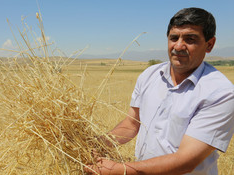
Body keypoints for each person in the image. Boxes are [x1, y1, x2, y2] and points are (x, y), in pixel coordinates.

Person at [84, 7, 234, 175]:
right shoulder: (150, 74)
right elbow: (131, 124)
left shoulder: (221, 93)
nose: (178, 46)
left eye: (190, 39)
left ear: (209, 44)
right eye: (174, 38)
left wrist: (119, 170)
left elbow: (186, 161)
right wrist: (97, 144)